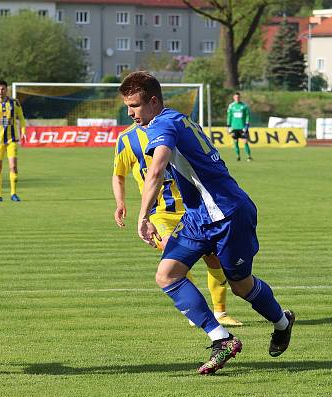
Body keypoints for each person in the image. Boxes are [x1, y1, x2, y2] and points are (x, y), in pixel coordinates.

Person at [119, 71, 295, 375]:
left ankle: (282, 321)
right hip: (198, 216)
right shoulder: (175, 120)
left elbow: (157, 168)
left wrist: (143, 215)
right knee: (167, 274)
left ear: (153, 101)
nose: (130, 113)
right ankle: (222, 339)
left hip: (229, 214)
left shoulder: (164, 123)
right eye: (127, 106)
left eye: (135, 105)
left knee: (241, 286)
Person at [113, 124, 243, 327]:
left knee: (214, 260)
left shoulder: (174, 128)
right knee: (173, 252)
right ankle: (199, 313)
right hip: (159, 214)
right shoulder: (127, 138)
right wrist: (120, 203)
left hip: (193, 210)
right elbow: (118, 174)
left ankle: (220, 312)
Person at [227, 92, 251, 161]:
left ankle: (249, 156)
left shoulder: (244, 106)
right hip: (234, 127)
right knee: (235, 142)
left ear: (240, 98)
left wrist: (247, 125)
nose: (237, 98)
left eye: (238, 97)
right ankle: (238, 156)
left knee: (245, 141)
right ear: (234, 97)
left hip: (242, 127)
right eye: (236, 97)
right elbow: (229, 116)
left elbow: (247, 116)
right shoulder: (231, 106)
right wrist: (228, 126)